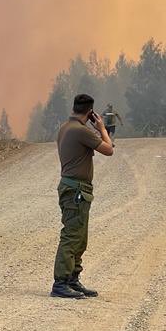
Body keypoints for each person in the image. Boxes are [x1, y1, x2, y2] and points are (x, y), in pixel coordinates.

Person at [51, 94, 113, 299]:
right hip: (76, 189)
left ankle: (72, 280)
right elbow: (108, 149)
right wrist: (102, 128)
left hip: (75, 189)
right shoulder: (80, 131)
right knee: (72, 236)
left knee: (80, 237)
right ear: (90, 113)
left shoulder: (65, 128)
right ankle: (60, 283)